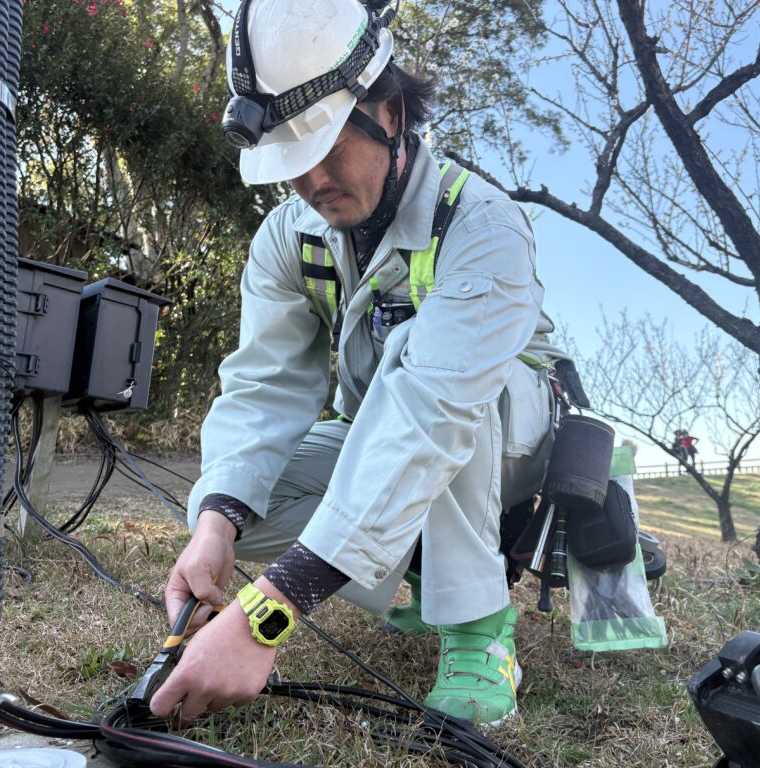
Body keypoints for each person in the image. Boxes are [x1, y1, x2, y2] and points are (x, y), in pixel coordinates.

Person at [150, 0, 567, 727]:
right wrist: (216, 526)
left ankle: (479, 631)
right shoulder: (290, 235)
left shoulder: (483, 225)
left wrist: (264, 619)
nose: (311, 182)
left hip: (508, 438)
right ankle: (417, 566)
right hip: (385, 426)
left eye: (326, 147)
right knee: (243, 497)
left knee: (424, 379)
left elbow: (431, 414)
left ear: (392, 114)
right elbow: (264, 385)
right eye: (291, 163)